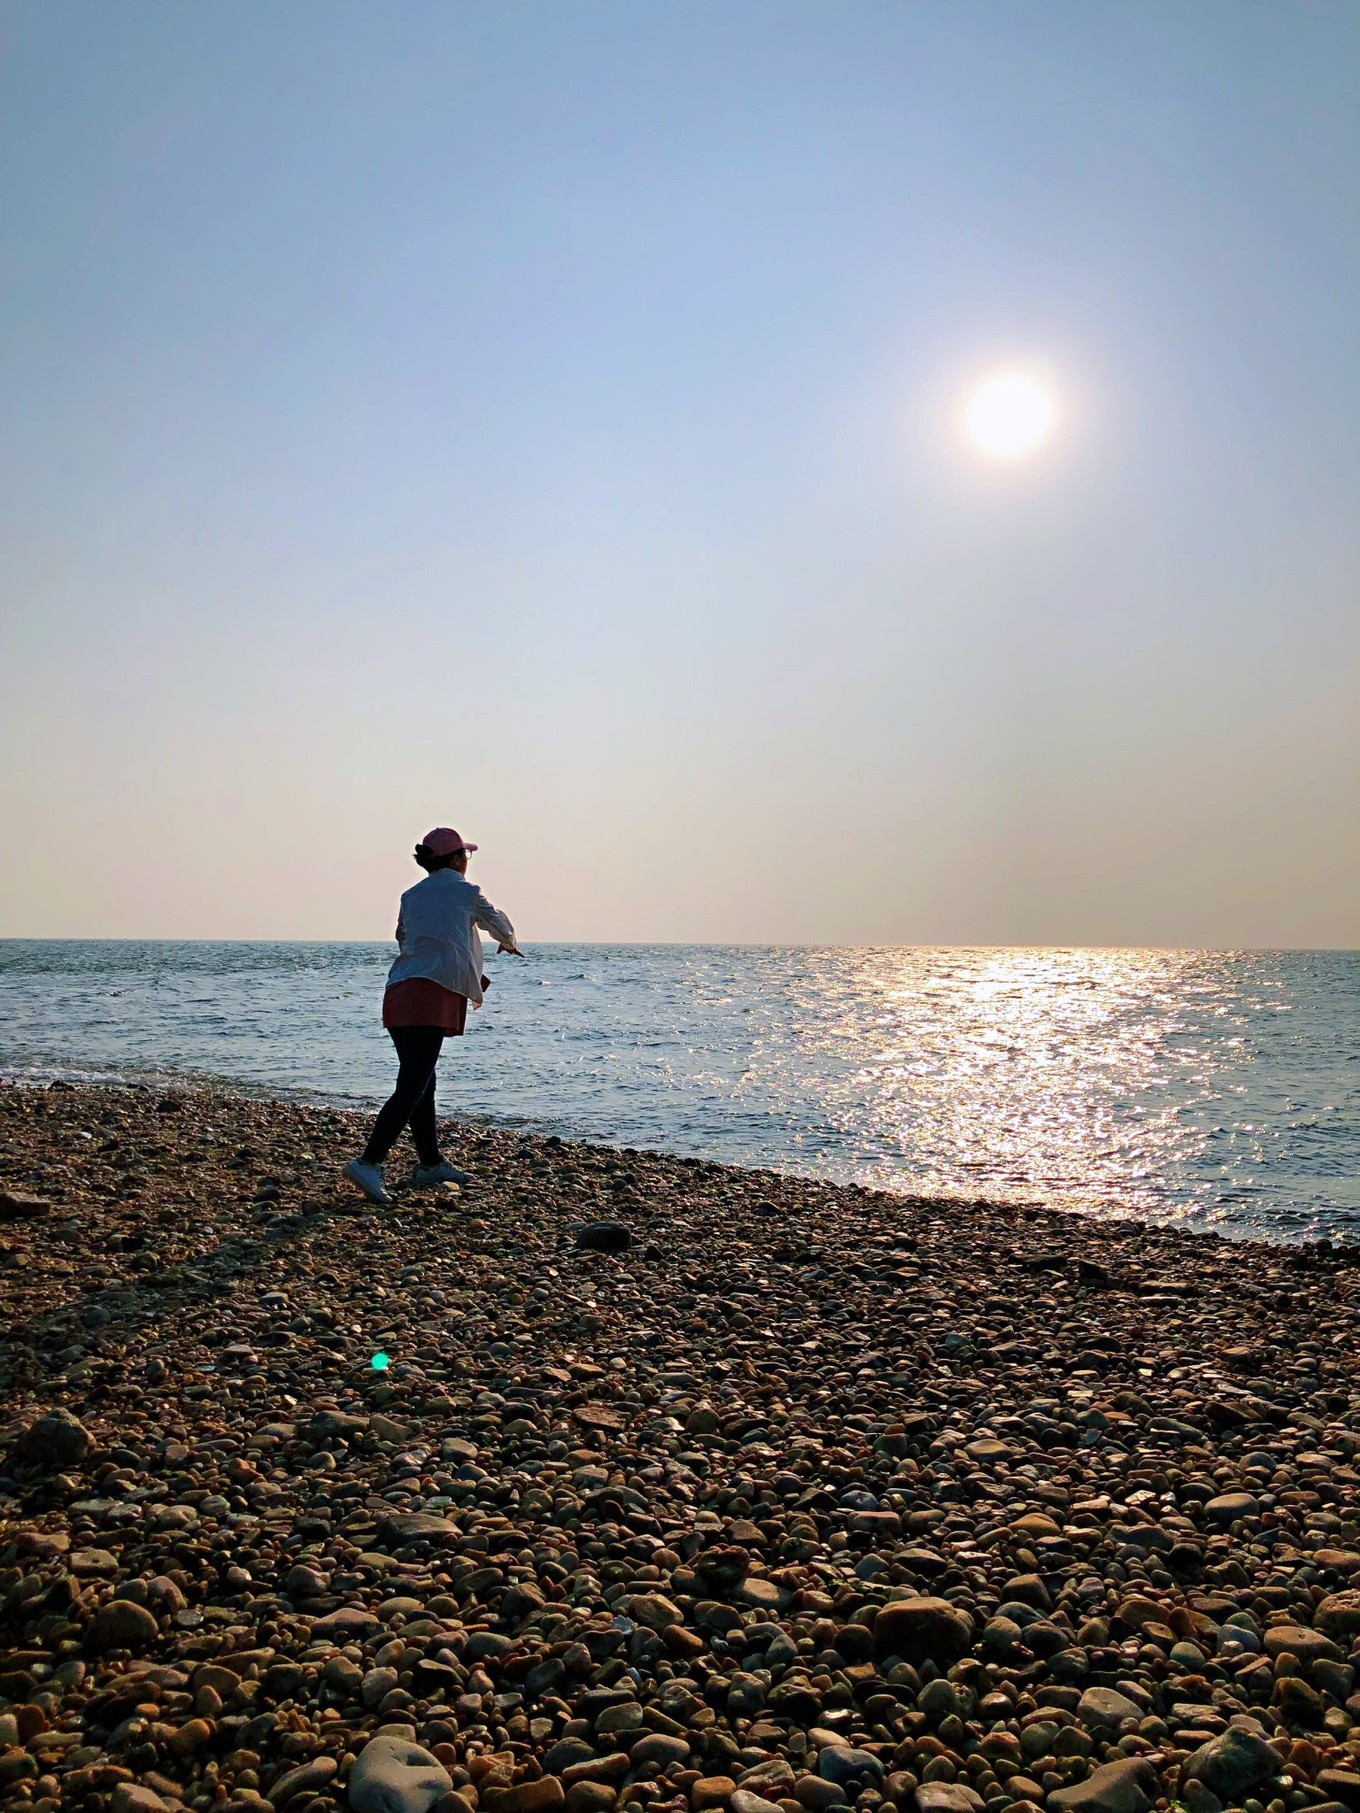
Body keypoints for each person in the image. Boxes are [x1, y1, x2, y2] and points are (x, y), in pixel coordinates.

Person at [345, 827, 520, 1205]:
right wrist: (508, 942)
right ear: (456, 859)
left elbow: (403, 937)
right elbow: (499, 926)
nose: (467, 862)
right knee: (412, 1086)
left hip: (400, 992)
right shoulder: (466, 891)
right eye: (465, 856)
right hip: (430, 995)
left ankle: (430, 1163)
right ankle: (368, 1162)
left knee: (422, 1081)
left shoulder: (411, 895)